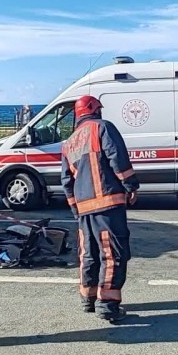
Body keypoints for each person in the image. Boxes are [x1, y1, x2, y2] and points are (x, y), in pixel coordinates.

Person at [61, 96, 139, 323]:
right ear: (95, 110)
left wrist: (76, 209)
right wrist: (131, 185)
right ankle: (109, 304)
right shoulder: (102, 128)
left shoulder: (70, 142)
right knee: (112, 254)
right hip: (108, 204)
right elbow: (117, 158)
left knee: (89, 254)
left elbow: (66, 180)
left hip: (84, 209)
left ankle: (88, 297)